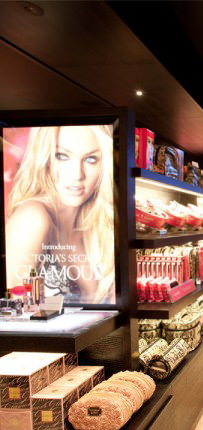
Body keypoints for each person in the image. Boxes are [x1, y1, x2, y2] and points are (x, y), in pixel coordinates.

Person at [5, 125, 115, 304]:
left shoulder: (99, 226)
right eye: (62, 156)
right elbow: (14, 311)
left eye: (91, 159)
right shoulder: (32, 219)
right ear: (44, 158)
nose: (77, 174)